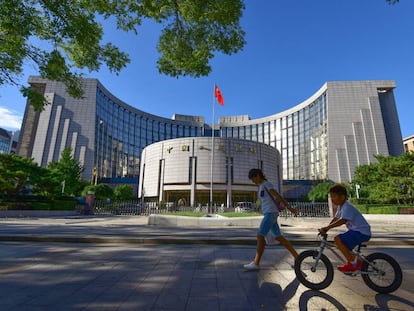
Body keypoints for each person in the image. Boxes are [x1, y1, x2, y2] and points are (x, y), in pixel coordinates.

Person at [243, 168, 298, 270]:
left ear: (258, 175)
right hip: (270, 213)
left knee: (260, 236)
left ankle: (256, 263)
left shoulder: (267, 184)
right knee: (279, 237)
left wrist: (290, 208)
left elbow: (277, 196)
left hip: (270, 213)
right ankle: (298, 258)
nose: (253, 181)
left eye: (253, 179)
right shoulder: (261, 186)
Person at [318, 183, 371, 273]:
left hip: (361, 232)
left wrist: (327, 228)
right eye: (331, 196)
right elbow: (336, 218)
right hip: (357, 232)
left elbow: (343, 220)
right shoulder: (341, 207)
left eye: (334, 196)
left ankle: (353, 263)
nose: (331, 199)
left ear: (342, 197)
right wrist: (327, 228)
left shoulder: (347, 207)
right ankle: (357, 262)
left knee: (338, 239)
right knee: (341, 244)